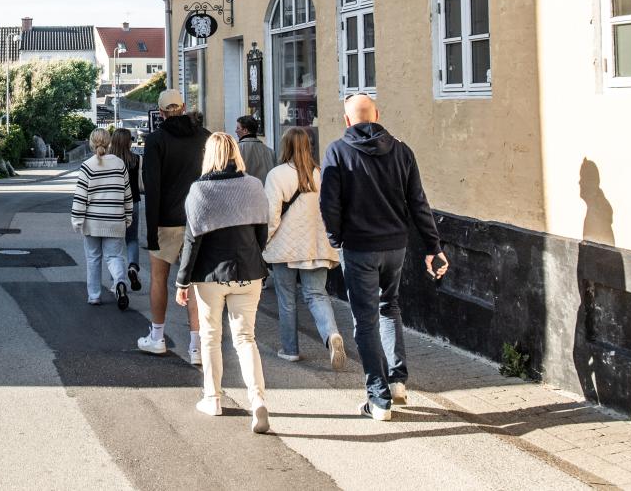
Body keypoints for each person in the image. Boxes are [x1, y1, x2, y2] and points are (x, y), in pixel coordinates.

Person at [321, 94, 448, 422]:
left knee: (365, 321)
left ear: (347, 120)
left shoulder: (338, 151)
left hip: (358, 247)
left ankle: (378, 399)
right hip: (395, 247)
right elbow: (418, 202)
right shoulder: (402, 151)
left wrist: (336, 238)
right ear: (376, 115)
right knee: (389, 307)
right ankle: (396, 382)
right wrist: (434, 247)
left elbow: (329, 204)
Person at [175, 132, 271, 434]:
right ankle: (257, 401)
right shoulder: (254, 186)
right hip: (248, 270)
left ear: (209, 155)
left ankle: (212, 398)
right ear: (235, 153)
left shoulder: (199, 192)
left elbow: (192, 241)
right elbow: (261, 236)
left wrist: (182, 281)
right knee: (246, 339)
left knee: (210, 337)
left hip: (210, 274)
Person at [263, 126, 346, 368]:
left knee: (286, 299)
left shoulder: (277, 175)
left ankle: (290, 350)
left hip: (285, 247)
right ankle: (331, 335)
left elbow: (272, 216)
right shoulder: (321, 173)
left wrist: (263, 242)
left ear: (285, 146)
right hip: (316, 245)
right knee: (317, 295)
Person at [138, 89, 209, 361]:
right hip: (198, 221)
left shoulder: (155, 140)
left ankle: (157, 337)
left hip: (166, 220)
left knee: (158, 279)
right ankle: (197, 346)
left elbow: (152, 187)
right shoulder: (205, 137)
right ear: (184, 107)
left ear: (160, 112)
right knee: (194, 282)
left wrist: (151, 229)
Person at [72, 128, 133, 310]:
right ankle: (120, 282)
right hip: (115, 220)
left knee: (93, 258)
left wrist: (77, 220)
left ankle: (94, 296)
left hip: (92, 223)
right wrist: (128, 216)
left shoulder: (87, 166)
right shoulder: (119, 164)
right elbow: (127, 194)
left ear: (91, 143)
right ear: (109, 143)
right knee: (114, 256)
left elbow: (81, 197)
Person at [109, 127, 143, 291]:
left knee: (113, 242)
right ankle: (132, 267)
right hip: (133, 202)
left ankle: (116, 279)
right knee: (132, 238)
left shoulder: (108, 160)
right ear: (128, 142)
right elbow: (141, 183)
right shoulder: (136, 159)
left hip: (113, 205)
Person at [235, 115, 275, 182]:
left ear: (245, 130)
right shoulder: (270, 152)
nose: (235, 131)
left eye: (238, 128)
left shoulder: (235, 149)